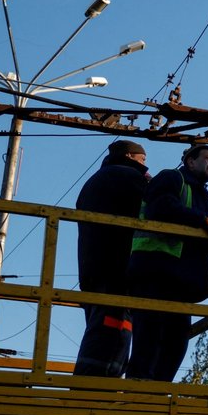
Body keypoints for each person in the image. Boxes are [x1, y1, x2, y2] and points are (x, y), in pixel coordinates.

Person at [126, 144, 208, 382]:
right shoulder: (172, 178)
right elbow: (162, 208)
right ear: (190, 162)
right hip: (155, 270)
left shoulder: (201, 197)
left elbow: (190, 237)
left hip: (179, 278)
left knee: (176, 339)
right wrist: (202, 221)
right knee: (149, 334)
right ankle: (138, 388)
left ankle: (158, 390)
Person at [73, 139, 149, 377]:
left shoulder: (94, 182)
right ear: (130, 156)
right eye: (142, 160)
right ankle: (95, 390)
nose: (145, 165)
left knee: (100, 326)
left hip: (92, 267)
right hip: (117, 266)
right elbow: (152, 206)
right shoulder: (129, 177)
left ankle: (89, 385)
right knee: (115, 329)